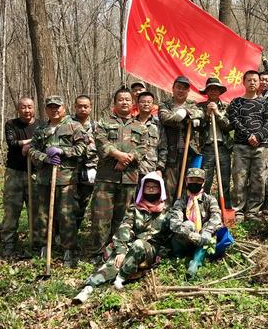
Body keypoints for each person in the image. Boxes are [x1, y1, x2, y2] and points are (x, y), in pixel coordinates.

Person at [73, 172, 170, 303]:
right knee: (115, 261)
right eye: (148, 187)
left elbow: (167, 237)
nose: (151, 189)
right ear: (143, 189)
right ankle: (89, 287)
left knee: (139, 245)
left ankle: (121, 278)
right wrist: (121, 251)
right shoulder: (134, 208)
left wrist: (161, 255)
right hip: (131, 246)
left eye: (154, 186)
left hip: (150, 250)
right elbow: (124, 228)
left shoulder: (167, 212)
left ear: (161, 189)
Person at [91, 87, 149, 256]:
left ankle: (118, 250)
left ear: (133, 103)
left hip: (129, 178)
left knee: (123, 218)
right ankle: (98, 252)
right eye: (120, 100)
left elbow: (143, 148)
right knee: (101, 218)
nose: (124, 102)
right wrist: (118, 155)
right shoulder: (104, 122)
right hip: (106, 178)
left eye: (127, 100)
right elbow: (100, 142)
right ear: (115, 103)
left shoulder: (141, 126)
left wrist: (126, 160)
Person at [29, 96, 86, 266]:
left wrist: (62, 151)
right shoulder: (41, 129)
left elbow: (81, 149)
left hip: (66, 179)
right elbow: (32, 150)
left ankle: (69, 248)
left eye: (57, 107)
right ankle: (46, 245)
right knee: (43, 213)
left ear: (64, 108)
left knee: (66, 214)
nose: (54, 110)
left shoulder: (74, 126)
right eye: (51, 107)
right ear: (46, 110)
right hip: (44, 179)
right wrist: (45, 158)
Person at [228, 70, 268, 221]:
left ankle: (253, 211)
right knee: (239, 178)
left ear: (259, 83)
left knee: (258, 178)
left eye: (255, 80)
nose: (252, 83)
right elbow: (234, 121)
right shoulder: (236, 102)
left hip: (261, 147)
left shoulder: (265, 103)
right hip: (241, 146)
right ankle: (238, 210)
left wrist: (258, 136)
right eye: (249, 80)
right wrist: (248, 136)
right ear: (243, 82)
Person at [0, 97, 42, 256]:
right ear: (18, 109)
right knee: (11, 209)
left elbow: (44, 143)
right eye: (23, 107)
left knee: (36, 210)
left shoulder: (40, 125)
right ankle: (9, 243)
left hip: (35, 173)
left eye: (30, 107)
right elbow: (12, 143)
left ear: (34, 108)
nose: (27, 110)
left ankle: (36, 243)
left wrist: (30, 144)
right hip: (14, 173)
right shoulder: (11, 124)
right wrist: (31, 142)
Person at [168, 168, 222, 277]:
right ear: (186, 181)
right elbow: (174, 223)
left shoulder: (210, 199)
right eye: (191, 180)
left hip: (202, 240)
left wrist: (206, 232)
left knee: (212, 228)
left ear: (203, 183)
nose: (194, 183)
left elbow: (216, 217)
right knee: (188, 224)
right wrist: (190, 234)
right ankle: (183, 257)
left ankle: (195, 263)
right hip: (183, 242)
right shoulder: (181, 201)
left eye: (198, 181)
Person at [159, 75, 204, 202]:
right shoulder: (165, 104)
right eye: (178, 87)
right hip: (170, 153)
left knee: (187, 186)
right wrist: (182, 114)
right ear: (173, 88)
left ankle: (184, 214)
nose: (181, 91)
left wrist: (192, 115)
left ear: (188, 91)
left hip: (189, 152)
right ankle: (166, 215)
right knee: (169, 187)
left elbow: (201, 114)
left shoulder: (193, 104)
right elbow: (165, 118)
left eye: (184, 88)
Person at [197, 77, 232, 208]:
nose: (213, 92)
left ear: (220, 92)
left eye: (216, 89)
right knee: (205, 180)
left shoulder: (226, 107)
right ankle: (203, 208)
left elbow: (229, 126)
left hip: (223, 147)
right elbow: (198, 126)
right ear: (207, 91)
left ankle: (226, 207)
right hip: (207, 148)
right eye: (210, 89)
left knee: (224, 180)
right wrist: (206, 114)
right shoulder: (199, 107)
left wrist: (217, 113)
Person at [72, 95, 98, 231]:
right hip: (70, 170)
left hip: (89, 170)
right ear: (75, 107)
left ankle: (75, 230)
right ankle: (63, 233)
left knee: (84, 202)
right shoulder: (67, 124)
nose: (83, 109)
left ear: (90, 107)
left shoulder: (96, 126)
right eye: (80, 106)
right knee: (68, 203)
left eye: (86, 106)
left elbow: (103, 147)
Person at [136, 91, 167, 178]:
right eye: (143, 102)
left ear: (153, 105)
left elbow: (163, 148)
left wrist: (160, 168)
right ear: (137, 104)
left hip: (151, 170)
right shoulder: (131, 123)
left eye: (149, 102)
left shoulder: (158, 125)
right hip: (132, 171)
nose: (146, 104)